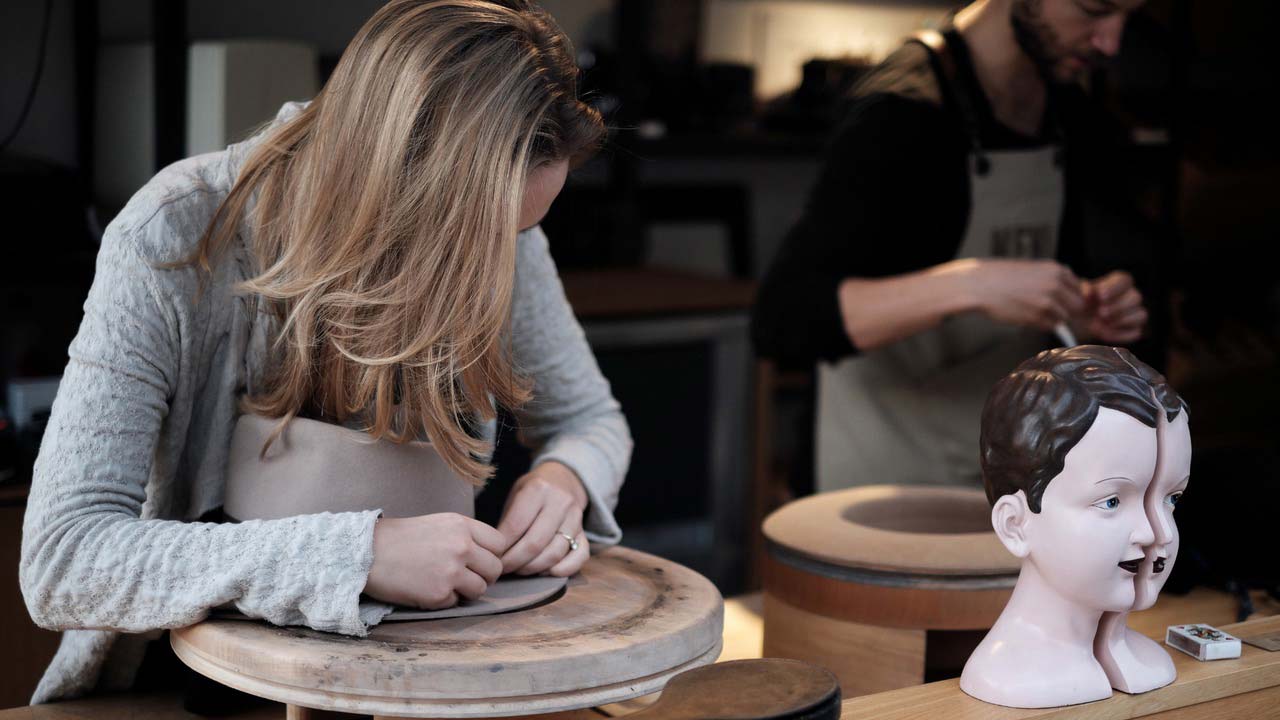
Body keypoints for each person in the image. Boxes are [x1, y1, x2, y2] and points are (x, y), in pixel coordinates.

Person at [19, 0, 631, 704]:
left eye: (520, 232)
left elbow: (591, 418)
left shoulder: (506, 229)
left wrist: (565, 478)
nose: (503, 258)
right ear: (396, 181)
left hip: (427, 674)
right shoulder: (175, 234)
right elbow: (64, 559)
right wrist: (357, 555)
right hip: (196, 677)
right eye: (481, 235)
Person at [752, 0, 1161, 492]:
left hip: (1005, 477)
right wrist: (971, 284)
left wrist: (1079, 314)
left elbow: (1060, 278)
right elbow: (783, 318)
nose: (1110, 43)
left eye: (1126, 18)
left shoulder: (1063, 107)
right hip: (885, 486)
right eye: (1094, 9)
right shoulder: (901, 112)